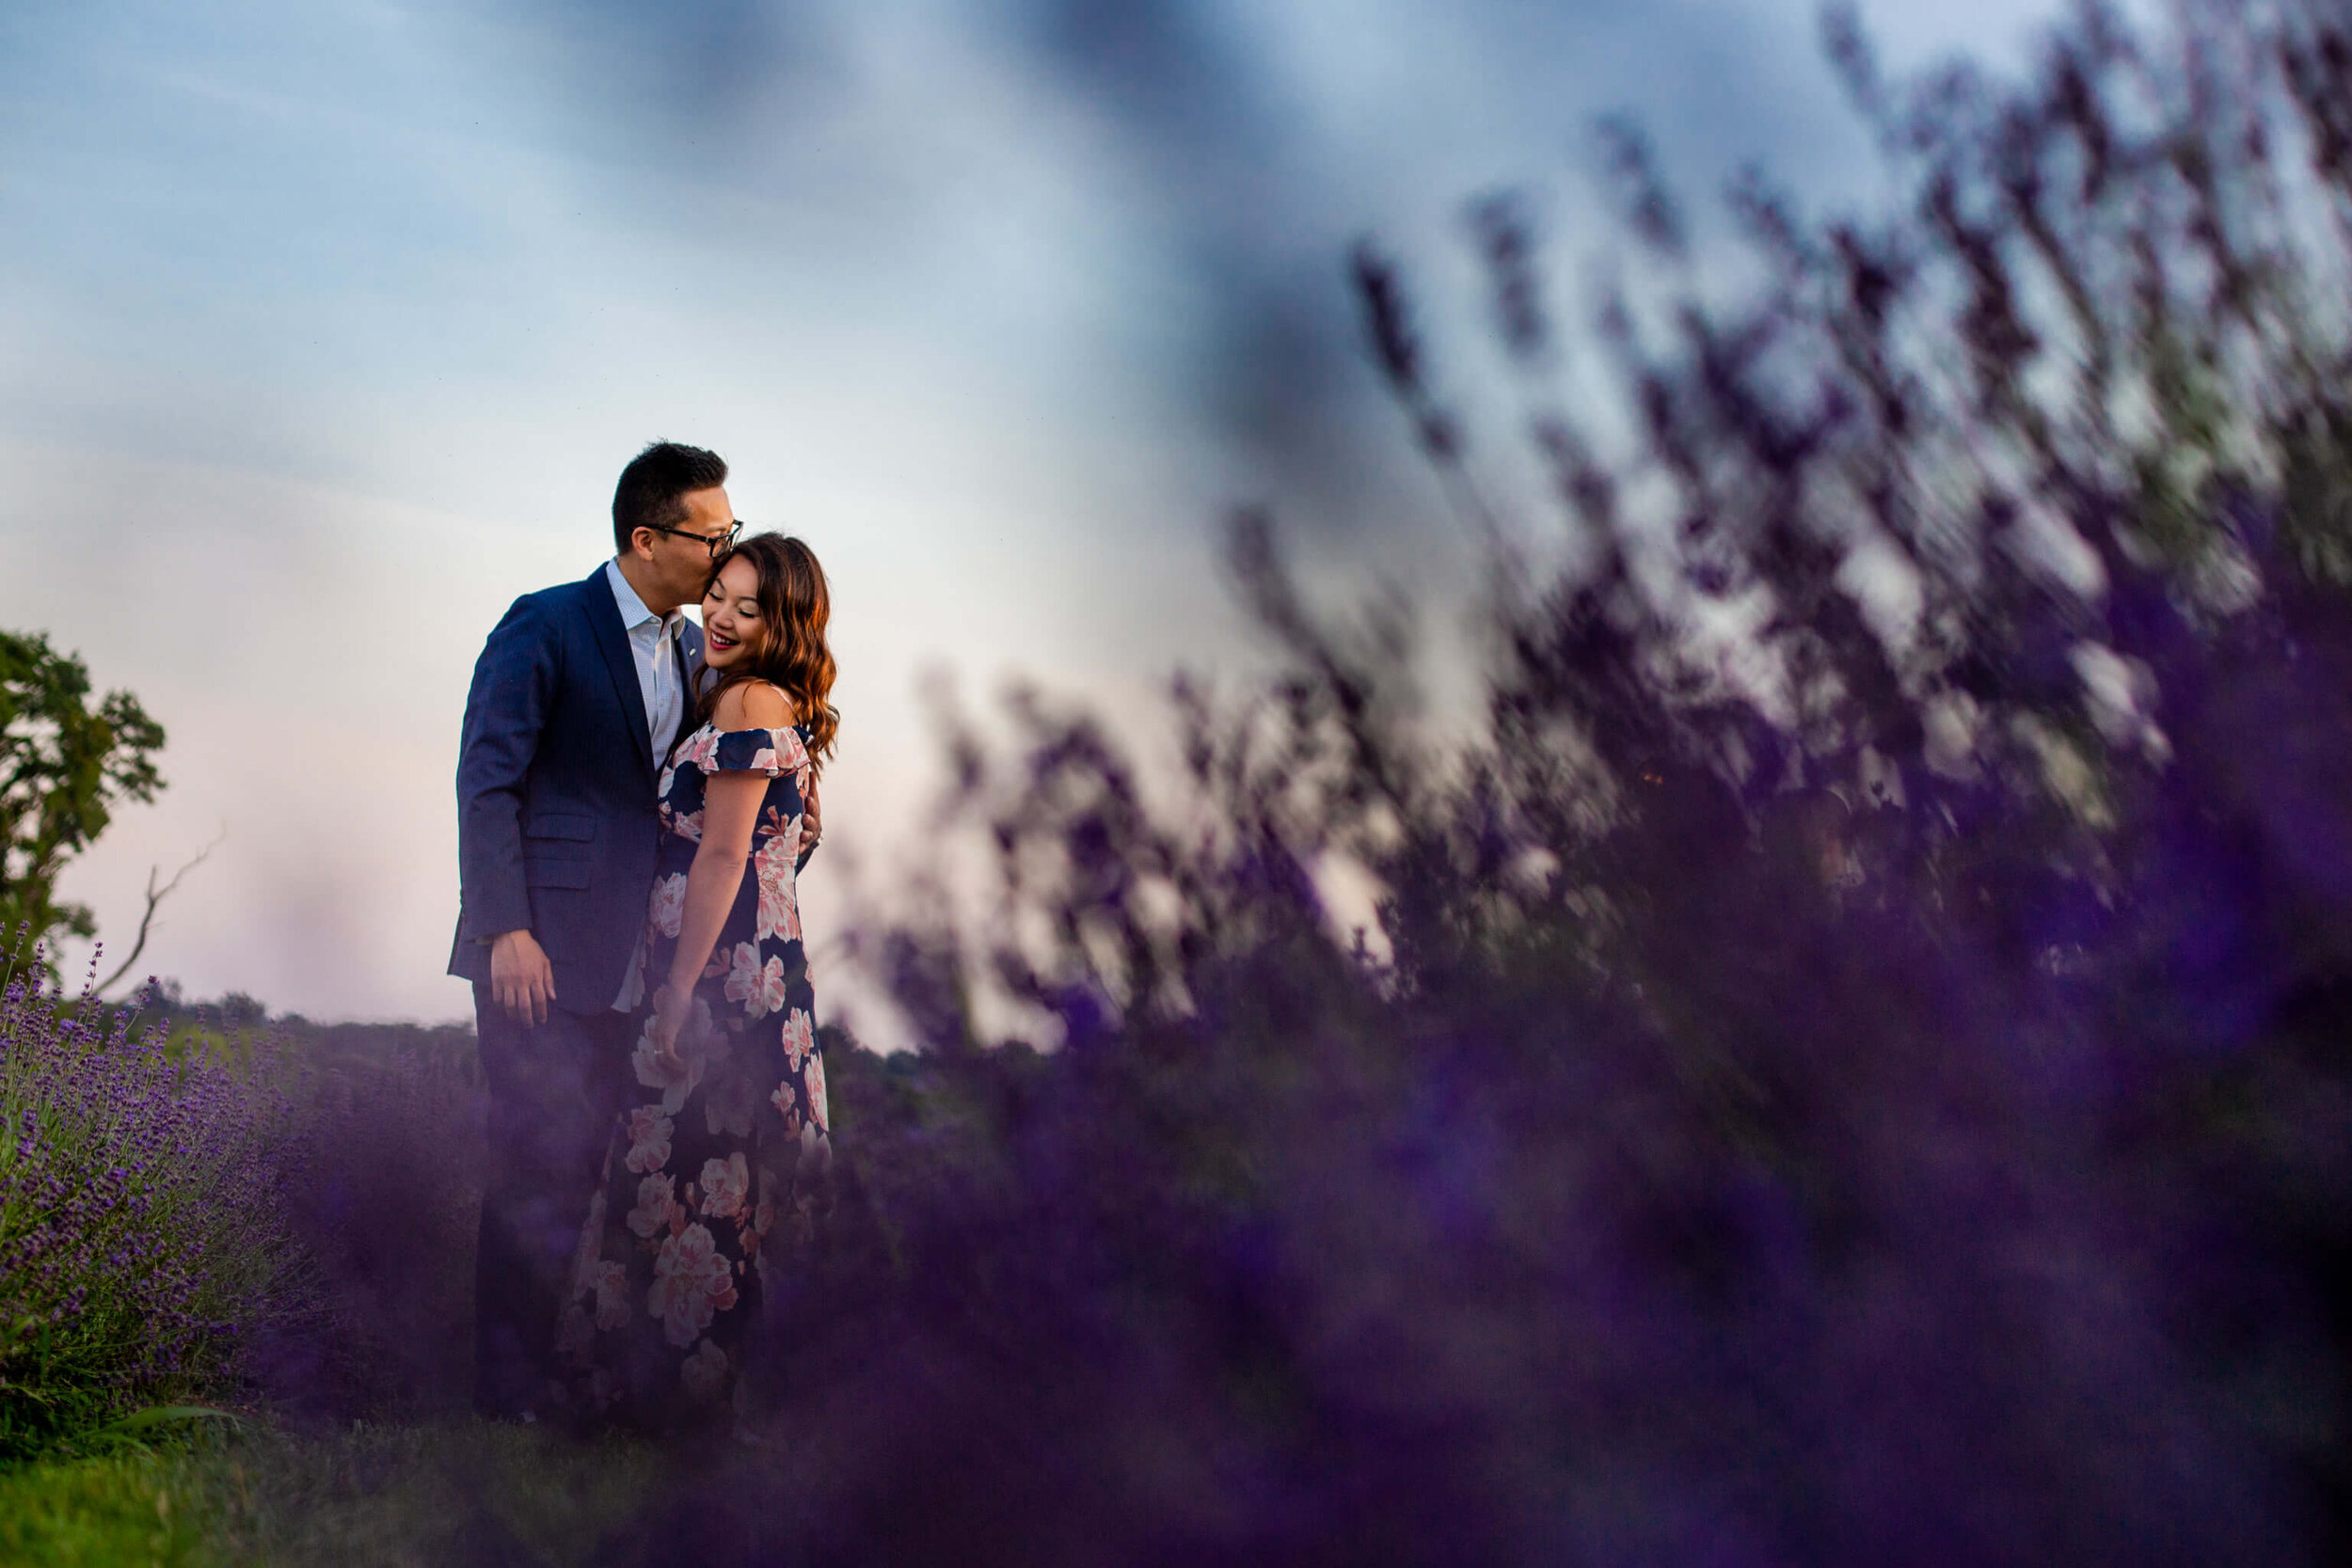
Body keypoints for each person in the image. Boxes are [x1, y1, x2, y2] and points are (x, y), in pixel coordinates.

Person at [449, 440, 755, 1421]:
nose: (725, 554)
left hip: (643, 964)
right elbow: (487, 778)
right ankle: (499, 1403)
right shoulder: (543, 622)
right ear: (646, 536)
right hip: (537, 957)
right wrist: (505, 927)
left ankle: (577, 1382)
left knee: (601, 1173)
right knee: (535, 1166)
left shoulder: (692, 648)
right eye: (715, 536)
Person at [554, 531, 837, 1429]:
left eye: (747, 607)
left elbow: (721, 857)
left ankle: (674, 1399)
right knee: (715, 1179)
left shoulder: (750, 700)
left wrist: (678, 990)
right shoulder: (757, 699)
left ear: (781, 624)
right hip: (752, 975)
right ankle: (704, 1400)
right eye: (718, 591)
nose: (718, 613)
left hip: (717, 984)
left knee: (685, 1177)